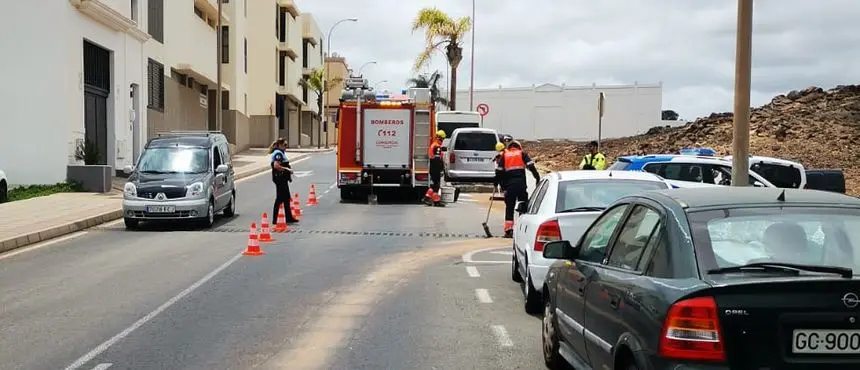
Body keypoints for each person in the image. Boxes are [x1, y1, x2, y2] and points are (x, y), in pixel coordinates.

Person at [495, 140, 541, 238]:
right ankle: (522, 229)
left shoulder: (505, 156)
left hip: (509, 186)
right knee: (523, 206)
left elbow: (499, 172)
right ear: (519, 147)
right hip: (521, 185)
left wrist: (496, 184)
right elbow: (531, 166)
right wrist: (537, 178)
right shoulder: (522, 154)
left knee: (509, 208)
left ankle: (508, 230)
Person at [270, 138, 298, 224]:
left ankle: (289, 217)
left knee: (286, 198)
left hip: (282, 178)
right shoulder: (278, 153)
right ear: (280, 145)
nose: (286, 147)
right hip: (280, 178)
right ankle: (275, 219)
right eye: (285, 145)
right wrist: (287, 169)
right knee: (279, 199)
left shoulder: (281, 153)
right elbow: (276, 166)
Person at [424, 130, 447, 206]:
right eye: (443, 139)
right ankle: (434, 200)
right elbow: (437, 159)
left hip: (432, 167)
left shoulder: (434, 144)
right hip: (435, 168)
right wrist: (441, 169)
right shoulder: (437, 146)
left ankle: (431, 199)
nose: (443, 140)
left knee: (435, 185)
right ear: (440, 138)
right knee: (436, 185)